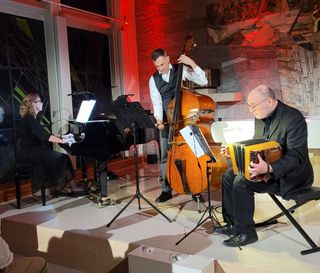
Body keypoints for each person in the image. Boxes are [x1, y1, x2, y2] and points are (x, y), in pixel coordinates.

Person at [215, 84, 313, 247]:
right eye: (249, 106)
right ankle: (233, 225)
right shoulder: (260, 117)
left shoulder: (293, 118)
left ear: (268, 101)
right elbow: (256, 147)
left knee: (241, 181)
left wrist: (269, 168)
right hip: (267, 171)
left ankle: (247, 233)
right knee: (228, 175)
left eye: (253, 106)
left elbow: (296, 156)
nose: (251, 111)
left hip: (291, 177)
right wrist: (233, 153)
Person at [149, 48, 208, 202]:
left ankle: (196, 190)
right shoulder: (153, 79)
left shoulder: (181, 69)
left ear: (168, 58)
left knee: (194, 152)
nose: (160, 68)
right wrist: (159, 120)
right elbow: (156, 102)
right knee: (165, 156)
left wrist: (192, 63)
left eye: (162, 64)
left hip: (185, 118)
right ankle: (166, 189)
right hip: (167, 121)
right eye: (157, 66)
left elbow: (204, 81)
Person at [19, 93, 86, 196]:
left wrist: (60, 136)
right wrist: (64, 141)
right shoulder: (29, 119)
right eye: (39, 101)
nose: (42, 103)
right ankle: (72, 187)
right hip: (31, 153)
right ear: (33, 104)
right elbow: (45, 136)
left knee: (58, 158)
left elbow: (44, 134)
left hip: (34, 150)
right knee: (63, 158)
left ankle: (59, 186)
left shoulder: (32, 119)